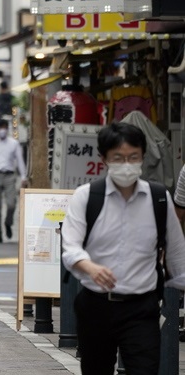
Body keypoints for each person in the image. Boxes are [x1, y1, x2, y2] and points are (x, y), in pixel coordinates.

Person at [61, 122, 185, 375]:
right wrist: (90, 267)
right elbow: (70, 247)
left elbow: (177, 257)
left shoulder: (159, 199)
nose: (127, 164)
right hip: (95, 305)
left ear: (142, 157)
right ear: (104, 158)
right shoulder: (86, 197)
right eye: (118, 158)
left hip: (141, 307)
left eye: (133, 157)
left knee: (144, 369)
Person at [0, 119, 27, 242]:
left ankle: (8, 222)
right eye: (0, 127)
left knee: (11, 203)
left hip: (9, 175)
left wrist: (23, 176)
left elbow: (19, 160)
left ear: (7, 129)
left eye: (4, 127)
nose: (2, 130)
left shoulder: (13, 143)